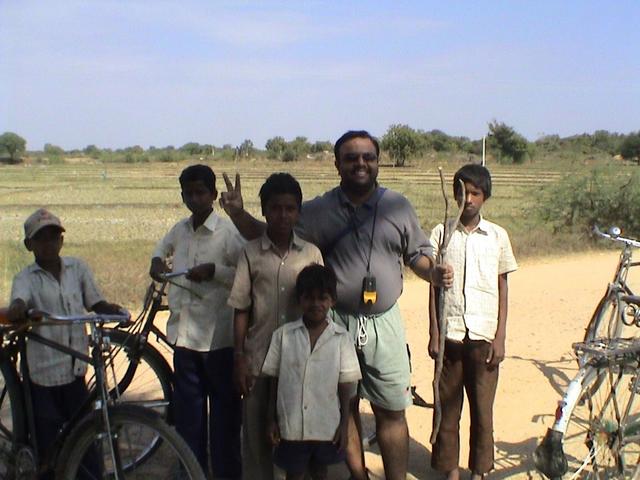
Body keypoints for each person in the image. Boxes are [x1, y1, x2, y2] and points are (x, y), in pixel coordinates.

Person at [219, 130, 453, 480]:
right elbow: (272, 232)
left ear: (377, 162)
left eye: (368, 157)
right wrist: (238, 215)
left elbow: (417, 255)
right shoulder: (317, 210)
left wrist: (432, 272)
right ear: (337, 164)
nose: (360, 164)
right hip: (334, 322)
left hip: (384, 321)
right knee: (346, 404)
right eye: (351, 158)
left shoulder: (398, 206)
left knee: (391, 408)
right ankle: (358, 476)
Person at [8, 208, 124, 479]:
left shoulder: (77, 268)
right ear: (29, 245)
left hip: (74, 367)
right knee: (47, 441)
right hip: (42, 373)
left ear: (62, 240)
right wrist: (18, 309)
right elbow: (19, 301)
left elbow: (94, 301)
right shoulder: (26, 278)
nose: (49, 244)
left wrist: (111, 310)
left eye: (54, 237)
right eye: (41, 239)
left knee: (84, 433)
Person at [149, 164, 244, 479]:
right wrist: (157, 263)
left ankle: (226, 472)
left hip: (218, 340)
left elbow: (245, 278)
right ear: (182, 195)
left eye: (200, 192)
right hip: (185, 338)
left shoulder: (228, 233)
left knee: (224, 417)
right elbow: (161, 251)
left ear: (213, 195)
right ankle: (192, 472)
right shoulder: (180, 230)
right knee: (189, 416)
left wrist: (214, 271)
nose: (194, 198)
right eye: (188, 193)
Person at [227, 173, 323, 480]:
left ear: (298, 211)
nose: (283, 215)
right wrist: (239, 358)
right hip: (258, 361)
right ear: (264, 211)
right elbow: (241, 308)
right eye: (275, 208)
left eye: (290, 208)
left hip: (299, 365)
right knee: (256, 443)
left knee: (296, 441)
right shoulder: (251, 253)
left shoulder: (311, 254)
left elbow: (321, 311)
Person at [428, 164, 518, 480]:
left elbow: (503, 287)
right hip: (450, 336)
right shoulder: (441, 233)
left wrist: (500, 337)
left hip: (483, 336)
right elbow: (433, 284)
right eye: (463, 192)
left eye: (475, 193)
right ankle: (450, 470)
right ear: (454, 195)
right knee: (448, 409)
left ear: (485, 197)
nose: (468, 199)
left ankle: (479, 472)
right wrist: (434, 332)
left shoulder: (497, 236)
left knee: (482, 412)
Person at [262, 264, 361, 480]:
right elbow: (273, 379)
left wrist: (344, 425)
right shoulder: (283, 336)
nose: (316, 304)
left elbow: (346, 386)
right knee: (294, 474)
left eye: (322, 298)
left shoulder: (341, 338)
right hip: (291, 427)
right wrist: (271, 418)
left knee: (320, 472)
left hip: (327, 425)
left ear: (332, 300)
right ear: (300, 300)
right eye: (309, 297)